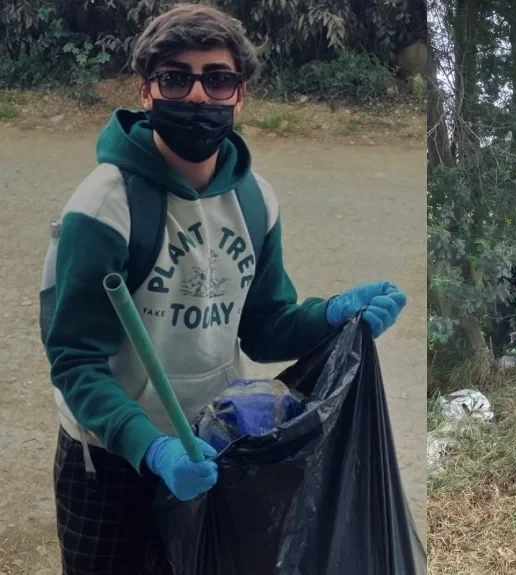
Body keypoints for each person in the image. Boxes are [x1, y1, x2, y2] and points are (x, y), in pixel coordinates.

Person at [38, 6, 407, 573]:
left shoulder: (255, 201)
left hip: (214, 448)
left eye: (217, 79)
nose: (197, 97)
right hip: (112, 460)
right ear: (146, 89)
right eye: (175, 78)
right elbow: (76, 362)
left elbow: (264, 326)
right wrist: (151, 447)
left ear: (240, 95)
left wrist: (331, 315)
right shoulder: (102, 207)